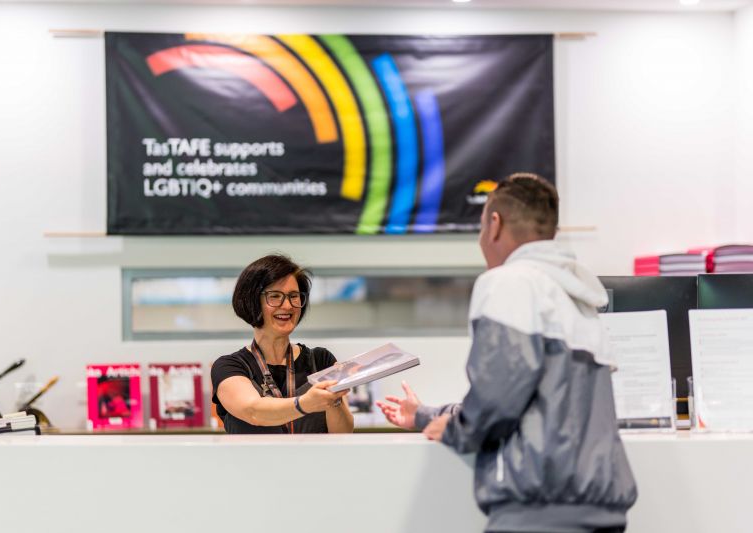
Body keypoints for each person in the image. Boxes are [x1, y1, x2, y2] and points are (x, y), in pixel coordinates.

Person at [377, 174, 637, 533]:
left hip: (538, 510)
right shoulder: (578, 298)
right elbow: (538, 402)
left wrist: (456, 432)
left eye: (481, 227)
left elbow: (498, 400)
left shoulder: (510, 282)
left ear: (494, 224)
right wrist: (423, 414)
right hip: (601, 508)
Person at [211, 254, 354, 434]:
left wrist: (335, 399)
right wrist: (305, 404)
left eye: (293, 296)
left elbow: (343, 433)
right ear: (252, 301)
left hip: (314, 462)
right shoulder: (230, 367)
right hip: (252, 463)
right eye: (275, 296)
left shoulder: (320, 360)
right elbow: (253, 411)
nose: (287, 306)